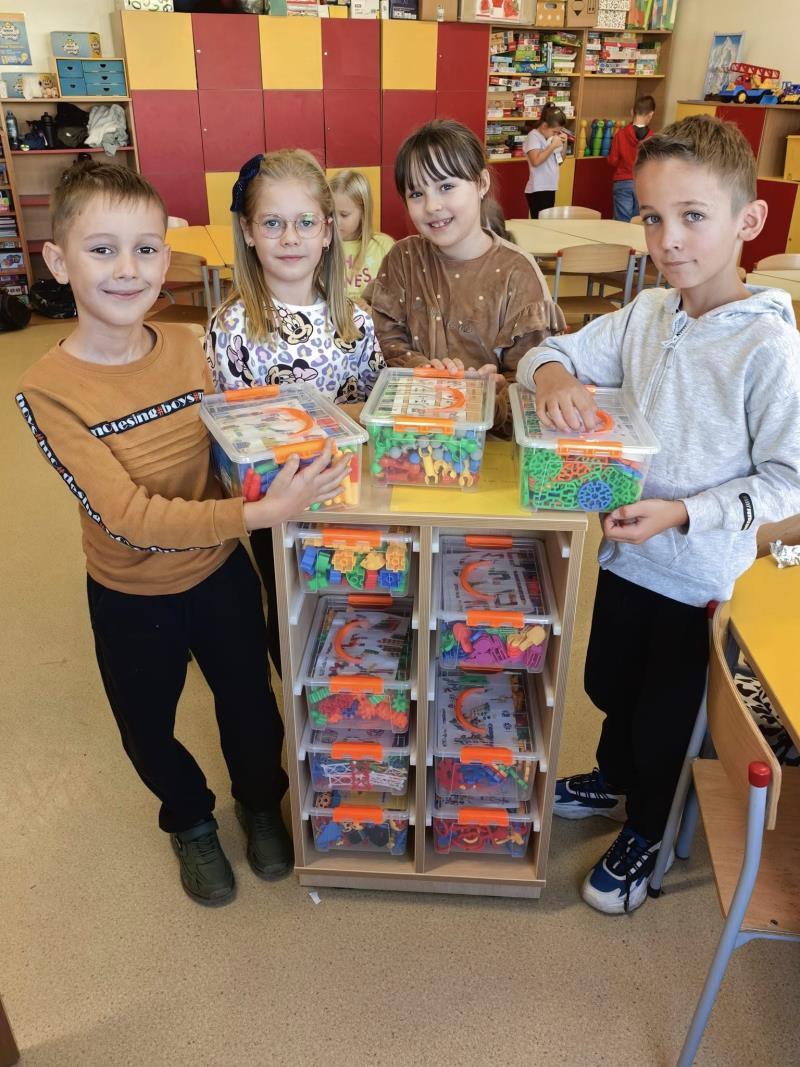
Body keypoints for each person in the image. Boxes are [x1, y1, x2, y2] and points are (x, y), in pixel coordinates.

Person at [14, 161, 349, 908]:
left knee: (251, 704)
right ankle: (190, 818)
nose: (127, 270)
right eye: (102, 250)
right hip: (132, 593)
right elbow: (128, 516)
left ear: (167, 259)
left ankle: (259, 802)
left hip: (222, 573)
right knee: (147, 725)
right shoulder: (47, 391)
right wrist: (256, 515)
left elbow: (235, 439)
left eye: (144, 249)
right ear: (59, 261)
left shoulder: (191, 345)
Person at [517, 114, 800, 915]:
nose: (668, 239)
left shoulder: (769, 348)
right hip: (624, 554)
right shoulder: (647, 313)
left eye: (693, 215)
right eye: (651, 216)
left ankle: (647, 826)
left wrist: (681, 512)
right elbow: (548, 350)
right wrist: (551, 378)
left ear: (748, 220)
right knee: (609, 680)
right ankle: (614, 777)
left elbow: (788, 483)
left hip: (697, 579)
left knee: (664, 717)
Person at [206, 150, 385, 676]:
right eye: (272, 223)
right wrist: (331, 420)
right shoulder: (233, 327)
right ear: (248, 231)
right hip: (276, 509)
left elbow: (375, 411)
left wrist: (330, 422)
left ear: (328, 231)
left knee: (354, 601)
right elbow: (233, 437)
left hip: (348, 497)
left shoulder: (355, 320)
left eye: (306, 222)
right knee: (290, 613)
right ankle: (296, 688)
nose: (290, 237)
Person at [367, 118, 564, 437]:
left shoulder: (518, 274)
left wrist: (494, 396)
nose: (432, 206)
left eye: (446, 186)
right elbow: (383, 344)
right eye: (416, 193)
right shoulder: (402, 259)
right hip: (409, 437)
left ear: (481, 183)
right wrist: (426, 373)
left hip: (489, 444)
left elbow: (535, 379)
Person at [329, 169, 394, 305]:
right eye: (331, 213)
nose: (336, 221)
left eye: (344, 215)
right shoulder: (321, 246)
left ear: (363, 212)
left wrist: (373, 309)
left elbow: (396, 297)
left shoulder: (384, 246)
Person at [608, 94, 655, 222]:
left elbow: (612, 161)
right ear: (651, 114)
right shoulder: (654, 138)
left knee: (621, 222)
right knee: (638, 221)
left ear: (632, 112)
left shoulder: (620, 134)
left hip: (622, 182)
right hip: (643, 184)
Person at [523, 105, 569, 219]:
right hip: (538, 188)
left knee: (547, 222)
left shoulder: (551, 138)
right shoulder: (533, 136)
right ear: (544, 126)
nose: (556, 135)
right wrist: (552, 146)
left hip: (550, 186)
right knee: (540, 223)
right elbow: (535, 161)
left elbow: (560, 161)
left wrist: (564, 144)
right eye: (554, 132)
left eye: (558, 132)